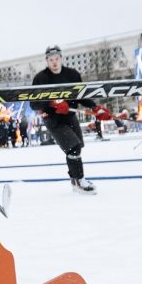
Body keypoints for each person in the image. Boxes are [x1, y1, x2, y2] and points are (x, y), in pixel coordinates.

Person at [30, 46, 97, 194]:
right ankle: (80, 182)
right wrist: (51, 103)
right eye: (51, 60)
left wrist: (95, 108)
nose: (54, 63)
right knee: (73, 146)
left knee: (75, 149)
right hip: (53, 119)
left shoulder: (72, 75)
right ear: (47, 61)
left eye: (57, 59)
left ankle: (75, 181)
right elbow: (33, 103)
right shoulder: (41, 78)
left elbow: (81, 95)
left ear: (61, 58)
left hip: (70, 116)